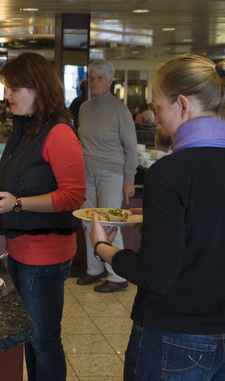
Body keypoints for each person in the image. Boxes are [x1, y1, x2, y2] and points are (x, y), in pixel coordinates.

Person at [89, 54, 225, 380]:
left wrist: (102, 248)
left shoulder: (170, 172)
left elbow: (156, 276)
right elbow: (211, 227)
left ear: (182, 104)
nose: (159, 118)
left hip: (174, 336)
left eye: (159, 106)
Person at [0, 52, 86, 381]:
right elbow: (13, 183)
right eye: (7, 89)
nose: (8, 97)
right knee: (31, 335)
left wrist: (18, 204)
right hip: (20, 247)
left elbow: (73, 195)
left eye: (15, 89)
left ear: (39, 89)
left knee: (44, 339)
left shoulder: (59, 133)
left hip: (45, 252)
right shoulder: (26, 129)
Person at [76, 59, 138, 293]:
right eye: (91, 77)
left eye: (99, 78)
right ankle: (95, 269)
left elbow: (131, 148)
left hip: (112, 173)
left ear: (111, 81)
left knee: (110, 223)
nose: (93, 82)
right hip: (86, 171)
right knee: (86, 221)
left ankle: (117, 275)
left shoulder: (120, 110)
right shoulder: (84, 108)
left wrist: (129, 180)